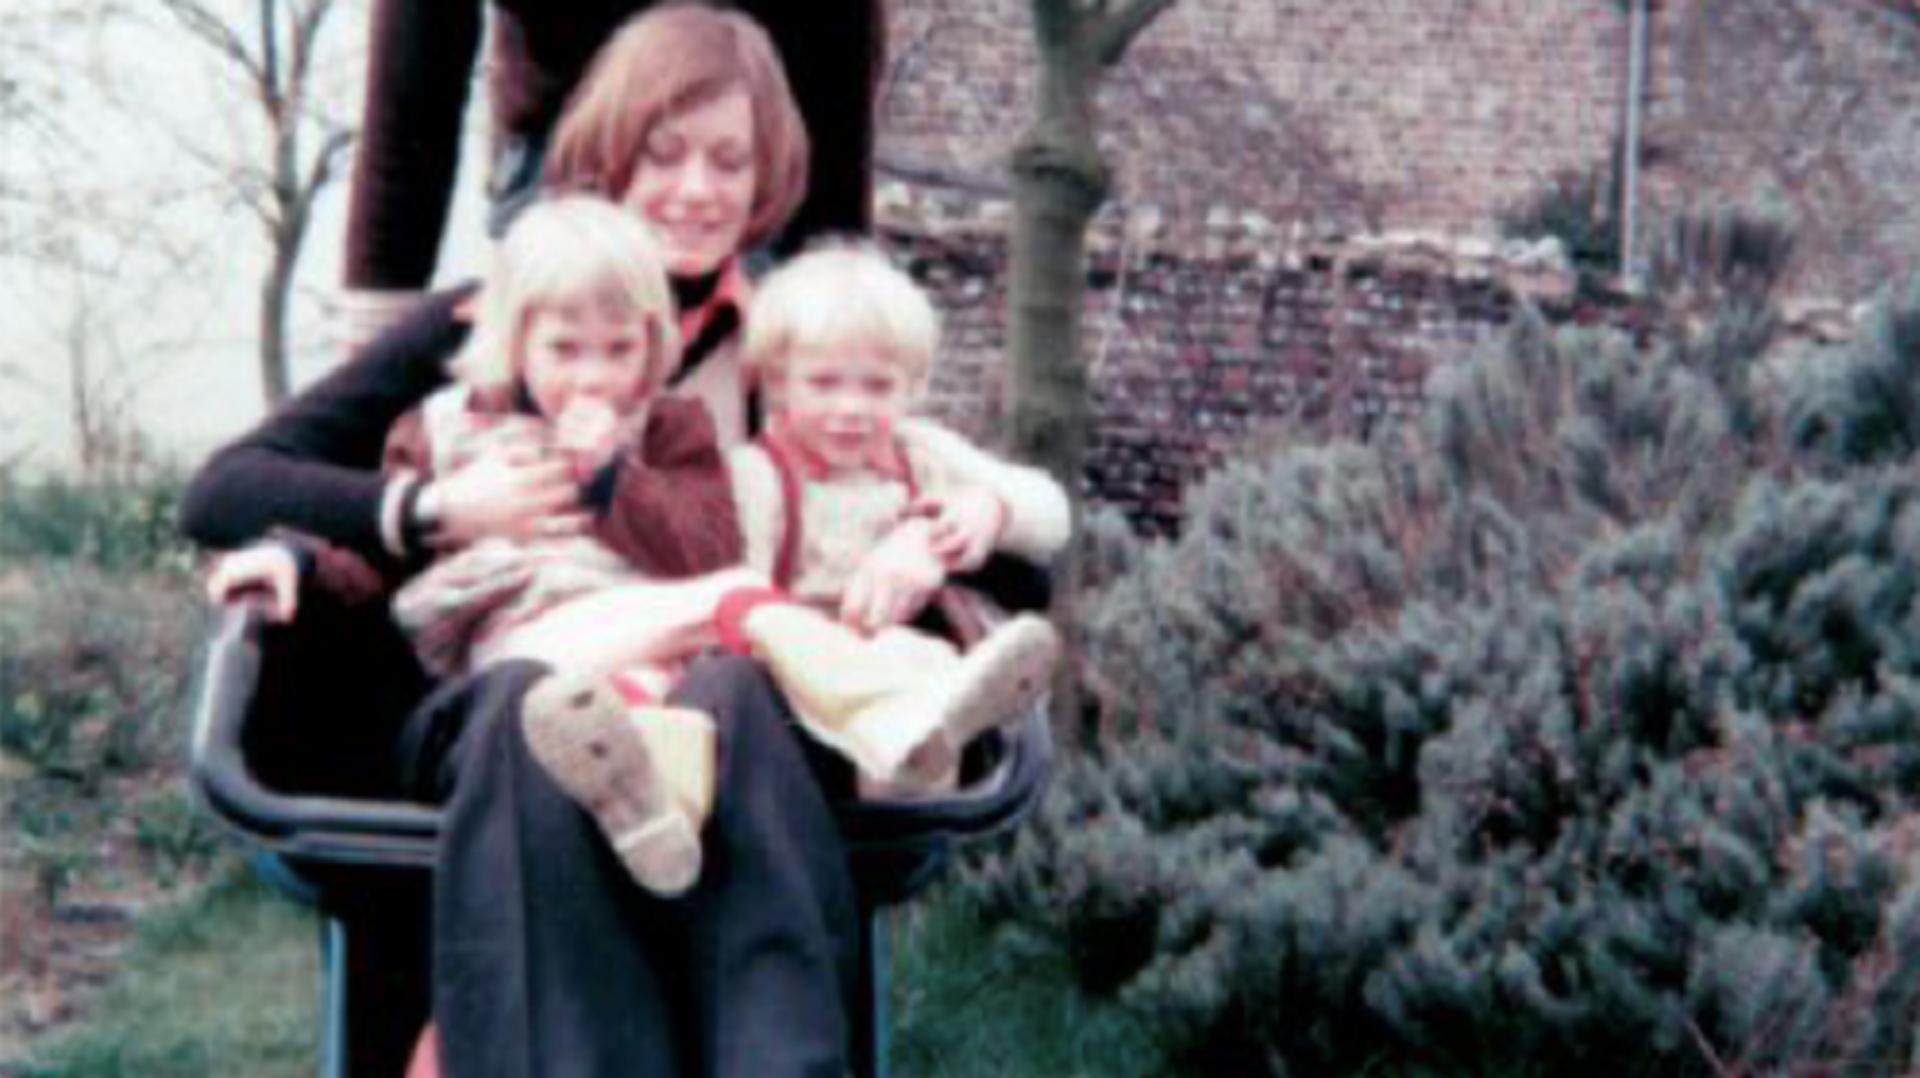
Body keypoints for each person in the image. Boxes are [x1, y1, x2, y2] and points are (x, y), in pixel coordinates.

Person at [180, 7, 1061, 1076]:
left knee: (739, 692)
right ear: (605, 157)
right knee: (534, 713)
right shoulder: (493, 327)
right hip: (505, 688)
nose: (695, 192)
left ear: (769, 172)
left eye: (728, 162)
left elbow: (949, 487)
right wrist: (412, 518)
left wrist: (936, 536)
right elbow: (234, 486)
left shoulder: (795, 342)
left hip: (718, 711)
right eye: (664, 155)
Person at [212, 199, 1063, 899]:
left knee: (661, 696)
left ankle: (662, 821)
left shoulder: (669, 435)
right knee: (730, 596)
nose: (594, 378)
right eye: (565, 351)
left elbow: (694, 540)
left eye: (620, 351)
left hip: (632, 638)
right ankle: (897, 709)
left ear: (653, 349)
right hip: (505, 644)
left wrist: (610, 478)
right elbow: (379, 557)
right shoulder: (443, 429)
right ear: (514, 343)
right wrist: (295, 558)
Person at [336, 0, 883, 348]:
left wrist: (841, 286)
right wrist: (379, 308)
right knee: (561, 365)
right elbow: (414, 80)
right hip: (560, 150)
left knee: (755, 383)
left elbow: (842, 69)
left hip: (736, 146)